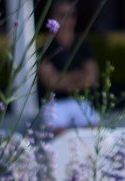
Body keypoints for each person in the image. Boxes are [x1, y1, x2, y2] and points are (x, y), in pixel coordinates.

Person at [37, 0, 99, 133]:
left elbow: (92, 78)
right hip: (54, 103)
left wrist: (63, 78)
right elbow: (52, 82)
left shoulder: (83, 45)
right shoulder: (45, 48)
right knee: (59, 133)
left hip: (81, 101)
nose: (68, 19)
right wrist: (79, 76)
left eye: (71, 15)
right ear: (52, 17)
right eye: (62, 15)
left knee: (94, 130)